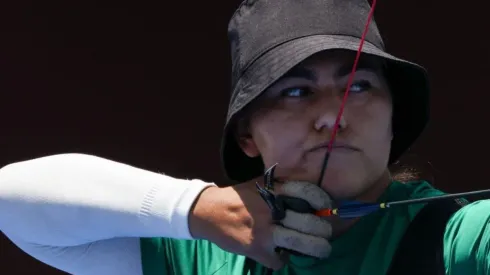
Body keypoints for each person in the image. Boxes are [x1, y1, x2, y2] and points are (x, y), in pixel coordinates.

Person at [1, 0, 489, 274]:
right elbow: (9, 200)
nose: (331, 117)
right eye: (296, 91)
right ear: (247, 135)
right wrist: (195, 209)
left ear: (393, 117)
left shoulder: (459, 240)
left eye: (359, 85)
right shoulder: (204, 253)